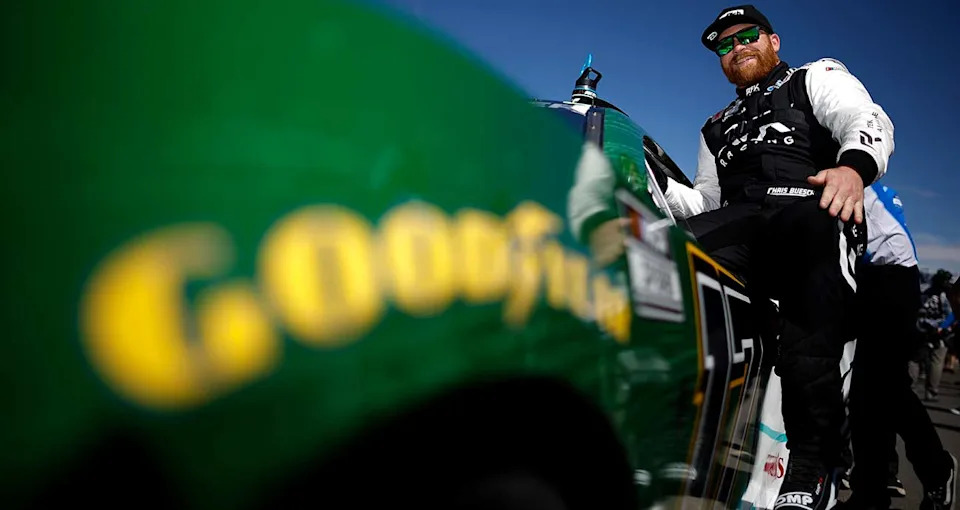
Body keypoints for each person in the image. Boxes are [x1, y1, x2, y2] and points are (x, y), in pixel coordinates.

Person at [651, 5, 895, 509]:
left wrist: (852, 168)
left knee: (811, 243)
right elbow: (708, 201)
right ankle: (677, 436)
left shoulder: (815, 77)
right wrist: (659, 186)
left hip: (808, 213)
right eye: (724, 45)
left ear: (774, 41)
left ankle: (810, 464)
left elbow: (864, 118)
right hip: (741, 222)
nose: (736, 48)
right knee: (659, 254)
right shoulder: (714, 126)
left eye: (748, 37)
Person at [842, 184, 956, 510]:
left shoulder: (852, 172)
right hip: (868, 276)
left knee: (889, 388)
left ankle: (938, 470)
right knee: (864, 395)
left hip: (892, 276)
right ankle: (870, 494)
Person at [911, 270, 955, 401]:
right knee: (936, 361)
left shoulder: (924, 291)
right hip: (938, 331)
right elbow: (950, 314)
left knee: (915, 359)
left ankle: (912, 390)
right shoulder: (946, 295)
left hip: (921, 328)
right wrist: (942, 327)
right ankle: (931, 391)